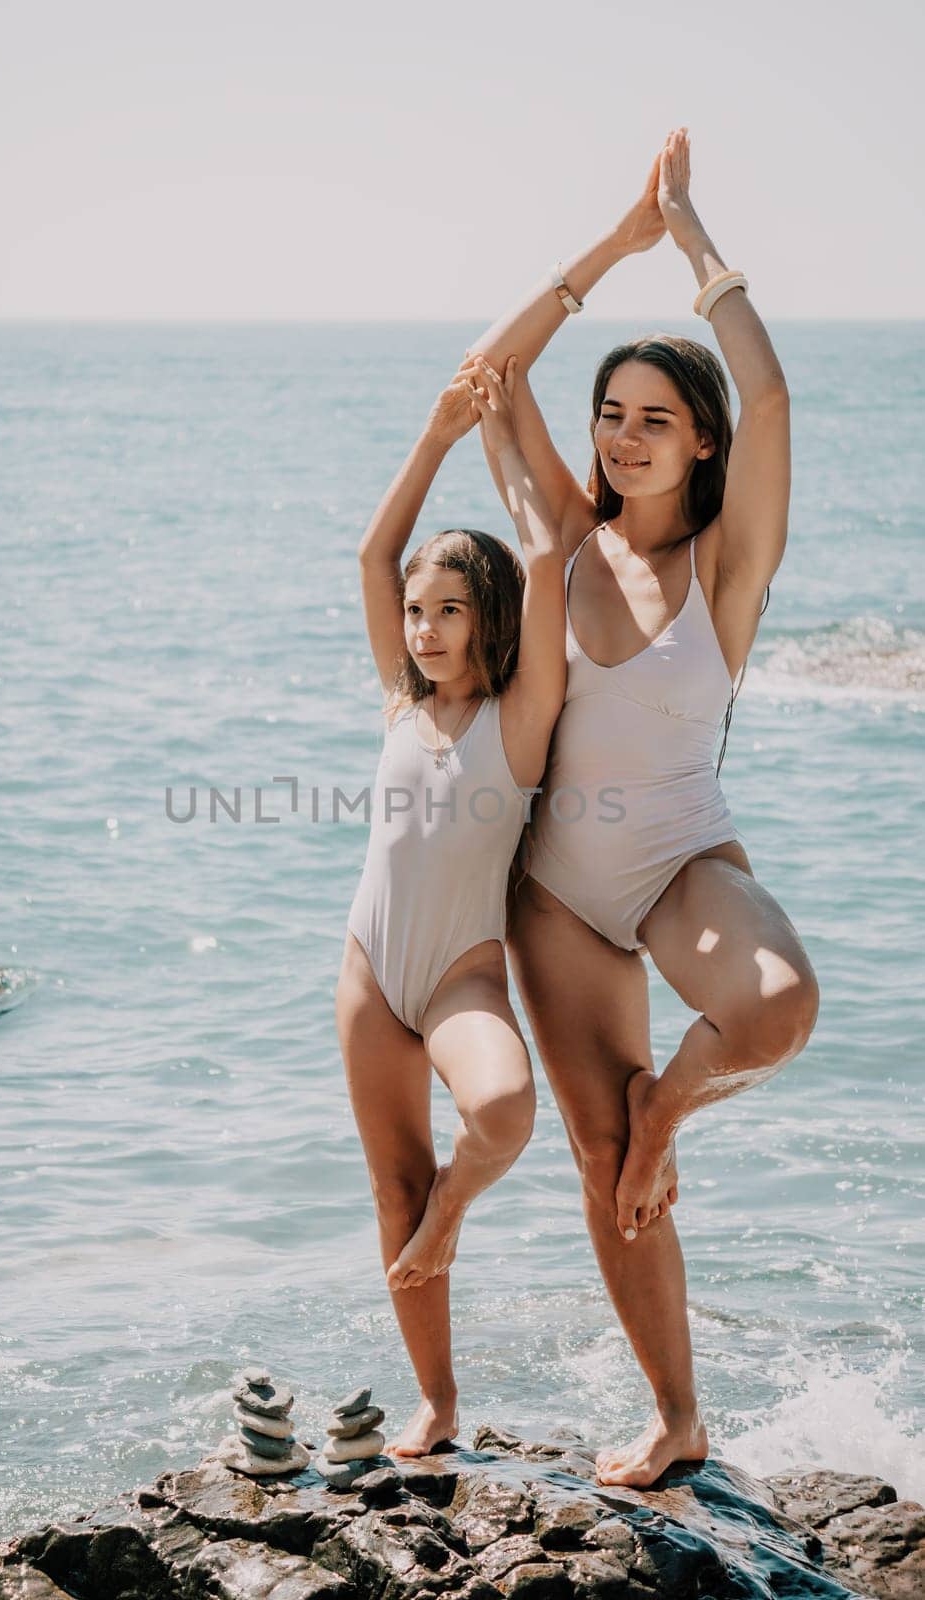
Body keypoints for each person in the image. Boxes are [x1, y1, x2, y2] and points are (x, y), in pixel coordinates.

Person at [422, 127, 820, 1487]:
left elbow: (770, 403)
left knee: (774, 1005)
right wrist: (611, 243)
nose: (624, 437)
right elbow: (492, 372)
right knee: (601, 1172)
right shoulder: (557, 534)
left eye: (655, 418)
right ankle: (675, 1418)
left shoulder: (725, 567)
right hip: (556, 901)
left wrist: (693, 235)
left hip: (674, 861)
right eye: (611, 415)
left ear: (698, 442)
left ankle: (666, 1117)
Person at [336, 354, 567, 1457]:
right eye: (416, 613)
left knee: (504, 1115)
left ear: (488, 622)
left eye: (447, 612)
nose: (422, 628)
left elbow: (543, 555)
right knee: (391, 1186)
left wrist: (496, 446)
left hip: (461, 974)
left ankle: (449, 1218)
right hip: (368, 972)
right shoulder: (398, 698)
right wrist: (429, 437)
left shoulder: (515, 721)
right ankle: (436, 1402)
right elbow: (374, 553)